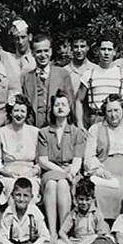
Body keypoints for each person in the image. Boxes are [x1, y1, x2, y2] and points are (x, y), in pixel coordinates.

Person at [37, 90, 85, 234]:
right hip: (51, 171)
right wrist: (63, 172)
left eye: (63, 104)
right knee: (51, 184)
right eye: (57, 104)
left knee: (63, 184)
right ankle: (52, 232)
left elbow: (77, 161)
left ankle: (62, 231)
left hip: (72, 172)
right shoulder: (44, 132)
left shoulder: (77, 132)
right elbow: (43, 161)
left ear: (69, 108)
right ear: (52, 109)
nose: (60, 107)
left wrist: (69, 173)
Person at [83, 94, 123, 219]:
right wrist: (98, 170)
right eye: (109, 111)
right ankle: (101, 225)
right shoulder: (96, 129)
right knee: (98, 190)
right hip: (103, 169)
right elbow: (89, 156)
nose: (113, 115)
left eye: (116, 110)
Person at [76, 38, 123, 126]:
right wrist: (80, 124)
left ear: (114, 52)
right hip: (96, 119)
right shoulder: (89, 74)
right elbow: (79, 100)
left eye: (109, 49)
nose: (106, 53)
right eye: (103, 49)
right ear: (98, 51)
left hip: (118, 120)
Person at [0, 94, 40, 205]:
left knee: (30, 188)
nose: (19, 115)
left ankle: (29, 220)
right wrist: (9, 173)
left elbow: (40, 162)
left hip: (30, 175)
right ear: (10, 112)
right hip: (8, 176)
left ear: (27, 114)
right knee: (12, 188)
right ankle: (13, 220)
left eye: (22, 111)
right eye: (16, 111)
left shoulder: (36, 133)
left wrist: (30, 173)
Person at [21, 34, 73, 129]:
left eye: (46, 51)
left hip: (57, 128)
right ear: (32, 53)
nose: (43, 55)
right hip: (33, 129)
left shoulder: (63, 74)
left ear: (51, 51)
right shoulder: (26, 78)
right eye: (39, 52)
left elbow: (70, 104)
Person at [56, 178, 108, 244]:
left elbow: (100, 234)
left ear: (93, 199)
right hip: (75, 243)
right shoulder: (74, 213)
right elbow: (62, 232)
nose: (84, 203)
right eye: (81, 199)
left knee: (96, 238)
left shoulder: (96, 214)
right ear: (76, 198)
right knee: (57, 243)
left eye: (87, 199)